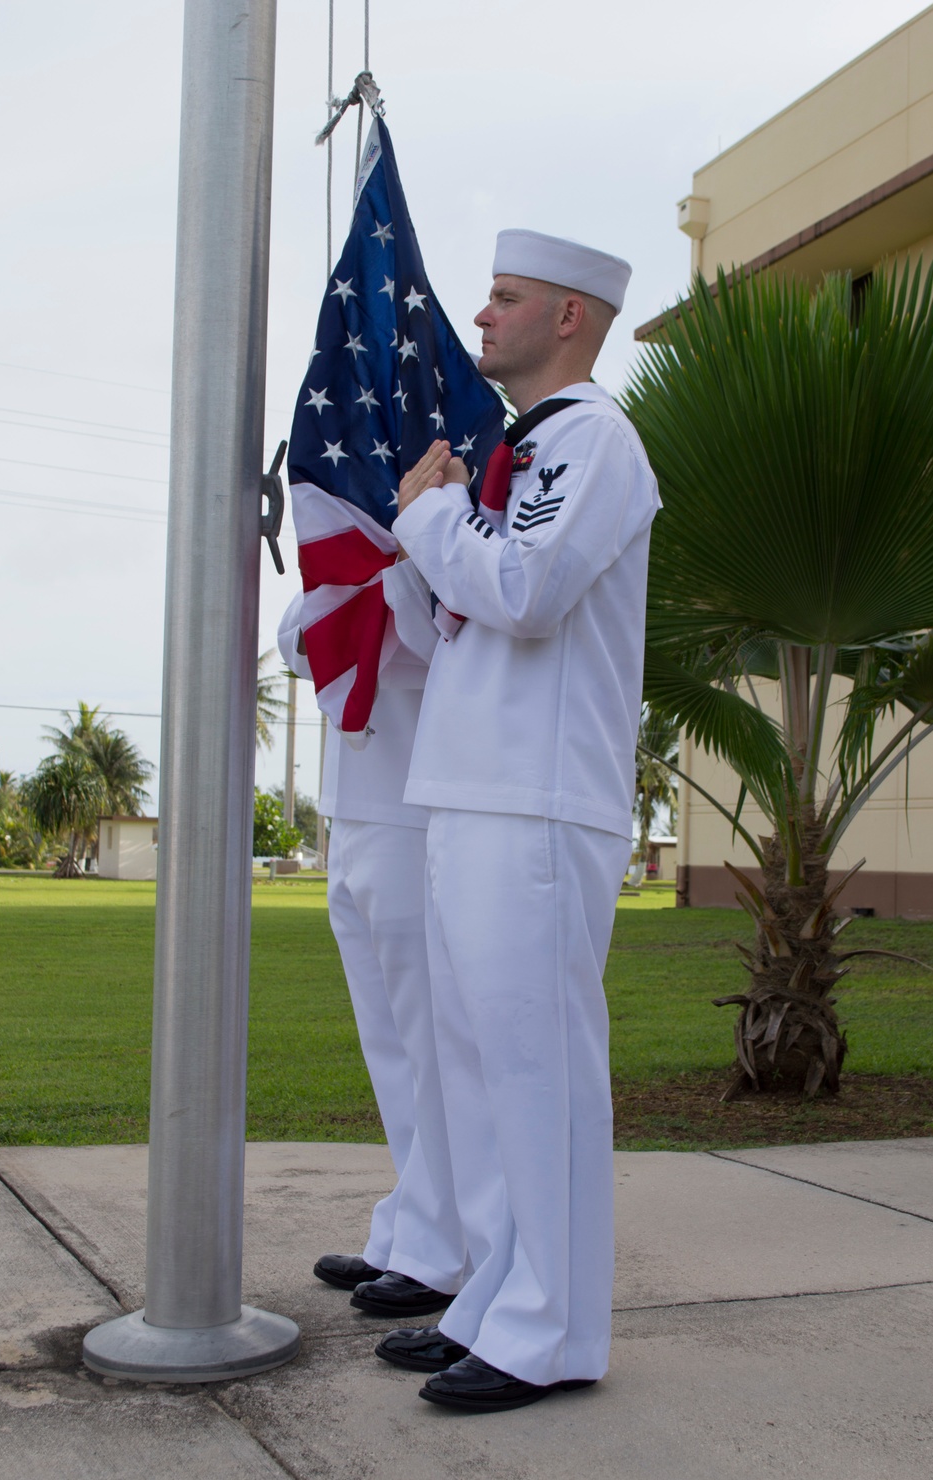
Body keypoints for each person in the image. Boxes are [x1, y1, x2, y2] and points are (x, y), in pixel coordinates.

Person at [374, 229, 661, 1412]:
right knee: (483, 1074)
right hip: (475, 790)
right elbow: (466, 606)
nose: (479, 316)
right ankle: (497, 1297)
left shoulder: (592, 441)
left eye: (504, 299)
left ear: (570, 321)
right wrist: (435, 518)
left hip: (536, 799)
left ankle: (550, 1331)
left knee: (535, 1072)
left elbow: (524, 593)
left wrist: (432, 521)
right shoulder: (515, 449)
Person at [277, 592, 468, 1320]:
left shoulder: (444, 525)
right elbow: (298, 642)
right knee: (389, 1049)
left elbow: (433, 640)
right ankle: (413, 1227)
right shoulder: (352, 537)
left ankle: (442, 1249)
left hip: (414, 805)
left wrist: (374, 597)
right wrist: (349, 594)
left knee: (430, 1047)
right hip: (350, 809)